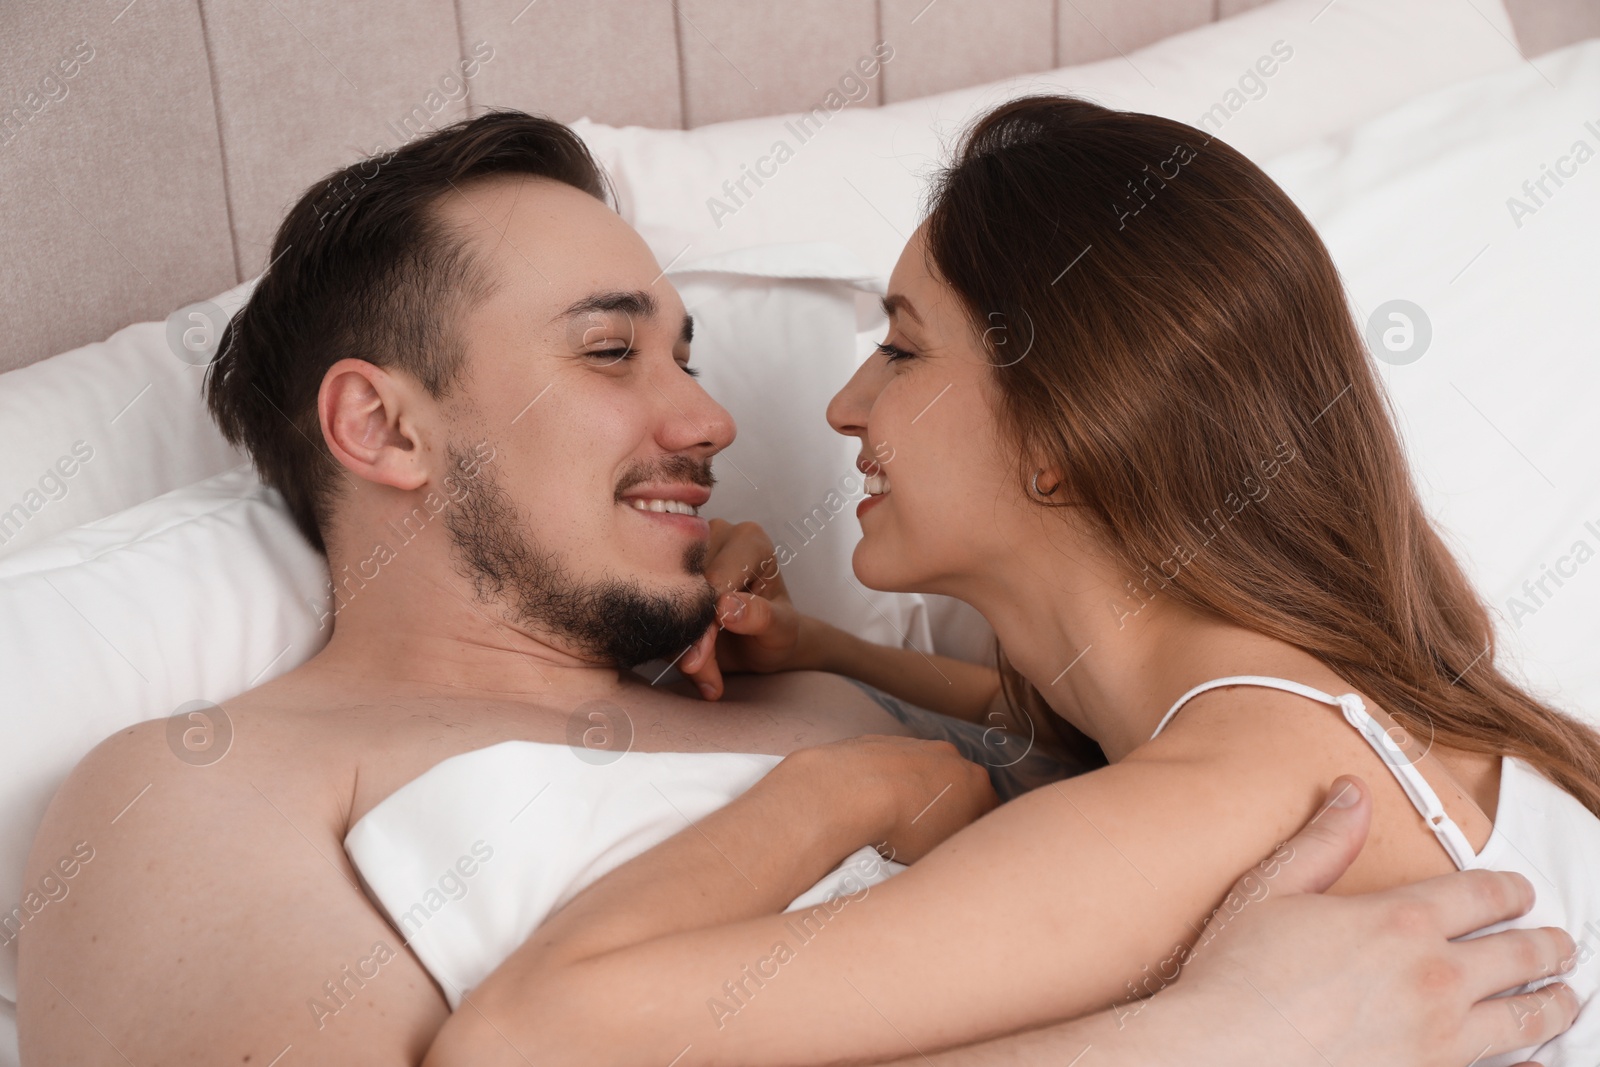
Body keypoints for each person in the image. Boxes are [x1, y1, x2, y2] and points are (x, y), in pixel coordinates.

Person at [13, 111, 1576, 1066]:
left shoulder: (861, 696)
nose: (716, 419)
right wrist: (1206, 1048)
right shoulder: (201, 789)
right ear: (381, 425)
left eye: (692, 356)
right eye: (612, 352)